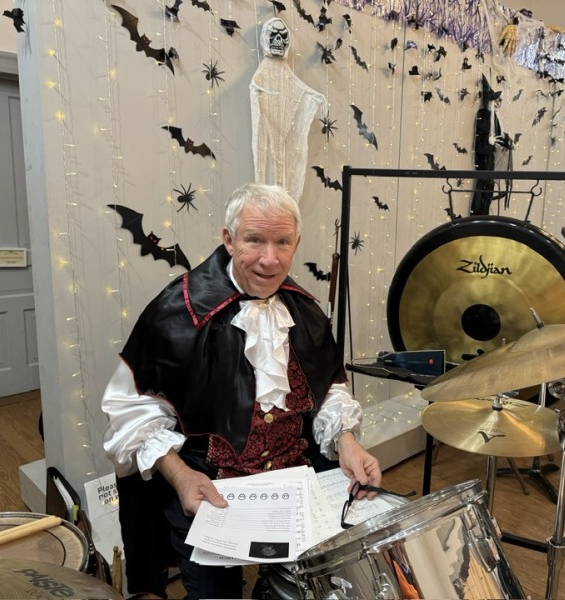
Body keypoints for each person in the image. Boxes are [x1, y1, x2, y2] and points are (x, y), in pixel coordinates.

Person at [102, 183, 382, 599]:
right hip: (206, 484)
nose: (270, 259)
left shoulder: (304, 310)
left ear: (296, 243)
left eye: (282, 242)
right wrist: (180, 476)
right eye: (254, 240)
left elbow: (327, 389)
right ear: (229, 239)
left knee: (317, 582)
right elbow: (131, 414)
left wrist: (346, 441)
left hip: (293, 475)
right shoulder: (176, 311)